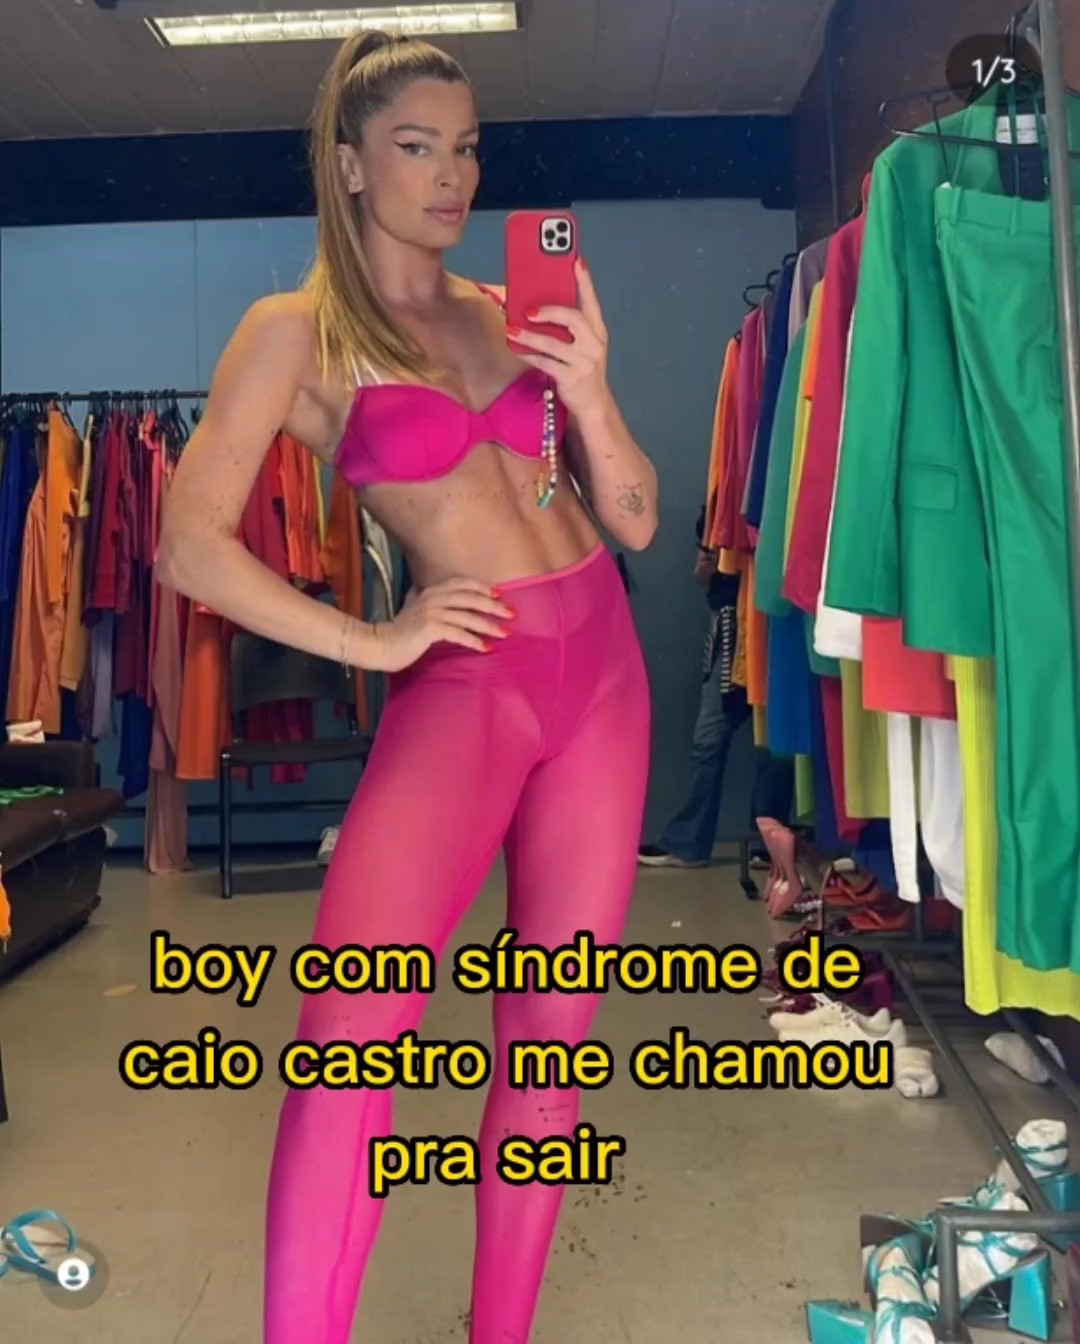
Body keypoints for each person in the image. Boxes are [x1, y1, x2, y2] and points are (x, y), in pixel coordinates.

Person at [157, 29, 657, 1344]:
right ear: (349, 165)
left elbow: (637, 521)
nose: (452, 178)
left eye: (468, 148)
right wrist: (370, 641)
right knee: (349, 1047)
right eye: (417, 147)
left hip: (603, 676)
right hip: (468, 682)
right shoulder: (294, 335)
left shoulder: (506, 312)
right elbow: (185, 544)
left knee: (549, 1046)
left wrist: (593, 394)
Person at [637, 506, 749, 868]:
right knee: (737, 738)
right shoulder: (719, 502)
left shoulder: (724, 502)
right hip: (735, 621)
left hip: (747, 620)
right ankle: (767, 839)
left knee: (724, 738)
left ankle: (695, 841)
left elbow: (703, 571)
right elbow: (703, 572)